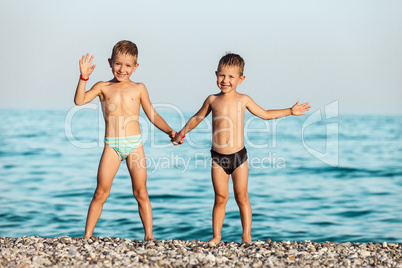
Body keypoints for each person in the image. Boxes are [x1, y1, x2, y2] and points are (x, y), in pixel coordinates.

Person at [173, 53, 310, 244]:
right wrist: (182, 133)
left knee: (241, 196)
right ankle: (216, 236)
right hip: (217, 158)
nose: (225, 80)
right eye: (222, 75)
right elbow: (197, 117)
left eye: (231, 77)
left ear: (240, 79)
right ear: (216, 74)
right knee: (220, 197)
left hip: (239, 157)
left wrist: (290, 111)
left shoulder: (244, 99)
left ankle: (246, 236)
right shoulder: (212, 99)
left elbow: (266, 114)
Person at [74, 40, 176, 240]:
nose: (122, 69)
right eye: (118, 64)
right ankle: (87, 236)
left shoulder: (139, 88)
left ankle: (149, 236)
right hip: (112, 146)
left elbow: (152, 115)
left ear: (135, 67)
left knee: (141, 192)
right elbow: (79, 100)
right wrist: (84, 77)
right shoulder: (103, 87)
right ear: (110, 62)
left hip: (134, 145)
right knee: (100, 192)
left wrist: (170, 132)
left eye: (128, 65)